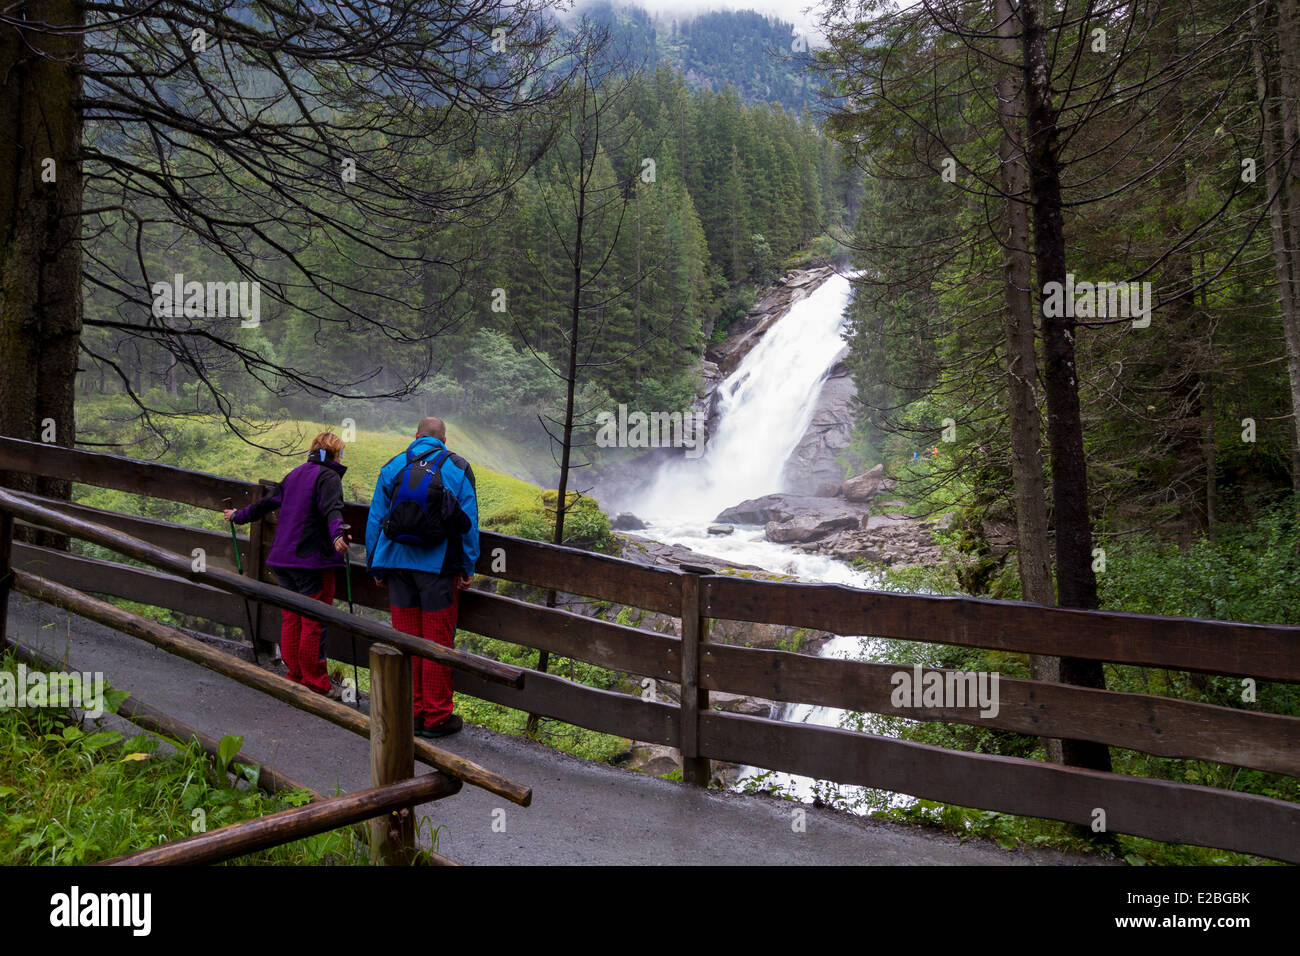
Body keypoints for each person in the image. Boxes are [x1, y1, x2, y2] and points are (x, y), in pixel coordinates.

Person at [366, 416, 478, 738]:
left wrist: (376, 565)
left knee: (406, 642)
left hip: (397, 567)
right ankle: (437, 717)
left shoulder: (394, 465)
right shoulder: (457, 467)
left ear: (416, 436)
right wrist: (468, 566)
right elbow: (468, 521)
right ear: (444, 439)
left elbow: (375, 519)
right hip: (437, 569)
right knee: (436, 643)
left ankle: (411, 712)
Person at [224, 432, 349, 699]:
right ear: (335, 452)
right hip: (311, 561)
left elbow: (267, 503)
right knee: (314, 620)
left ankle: (295, 675)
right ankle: (315, 682)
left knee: (292, 617)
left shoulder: (296, 473)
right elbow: (333, 509)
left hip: (282, 560)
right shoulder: (328, 476)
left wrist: (238, 516)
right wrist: (338, 534)